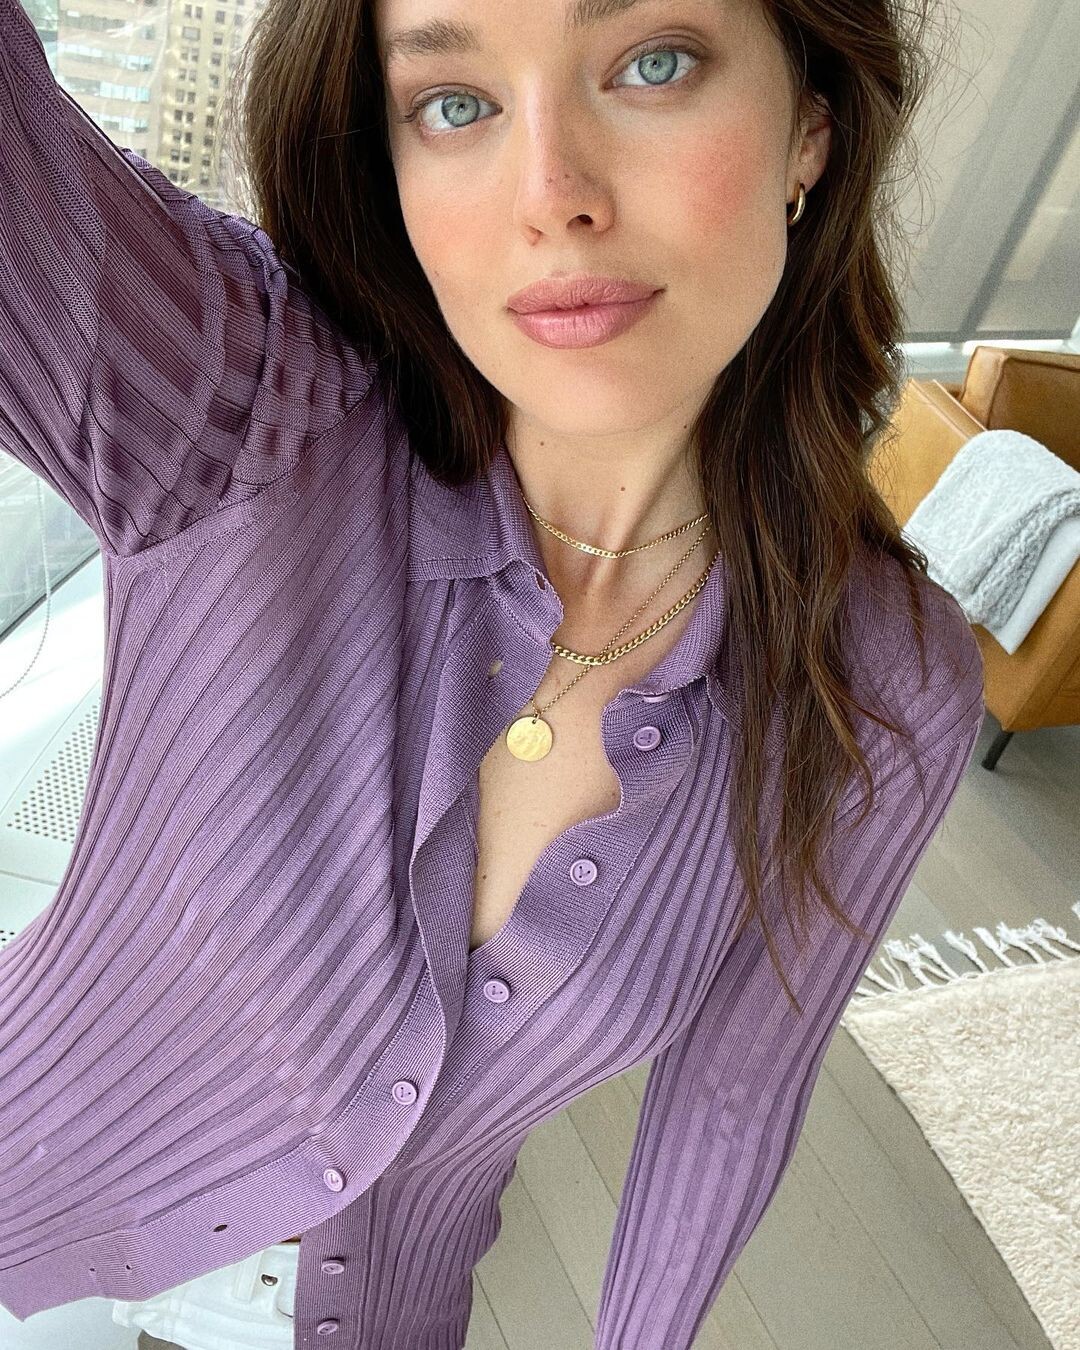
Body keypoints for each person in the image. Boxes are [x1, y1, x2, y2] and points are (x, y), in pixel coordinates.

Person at [0, 0, 981, 1347]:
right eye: (453, 104)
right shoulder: (254, 412)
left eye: (653, 64)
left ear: (809, 128)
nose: (552, 196)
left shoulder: (883, 678)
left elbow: (732, 1097)